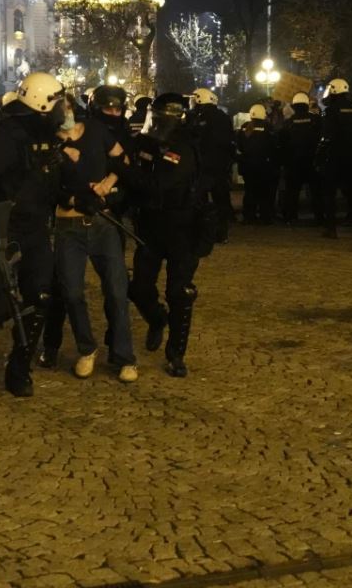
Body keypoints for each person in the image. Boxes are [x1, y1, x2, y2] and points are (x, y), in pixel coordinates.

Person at [0, 72, 66, 397]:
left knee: (40, 297)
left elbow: (52, 181)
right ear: (41, 104)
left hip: (35, 229)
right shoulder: (8, 136)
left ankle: (19, 368)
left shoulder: (50, 137)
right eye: (58, 103)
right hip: (3, 230)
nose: (63, 109)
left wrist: (78, 196)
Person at [40, 88, 137, 382]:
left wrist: (107, 184)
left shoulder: (96, 130)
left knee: (117, 292)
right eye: (60, 111)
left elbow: (123, 160)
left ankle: (125, 357)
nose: (66, 114)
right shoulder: (48, 145)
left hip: (103, 225)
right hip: (68, 227)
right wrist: (74, 199)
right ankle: (87, 348)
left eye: (68, 107)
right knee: (71, 292)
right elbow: (47, 190)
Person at [124, 92, 205, 378]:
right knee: (139, 288)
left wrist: (125, 172)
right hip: (151, 225)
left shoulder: (183, 147)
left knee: (179, 292)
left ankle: (176, 355)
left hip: (182, 227)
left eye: (159, 119)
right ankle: (157, 318)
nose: (154, 124)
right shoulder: (146, 142)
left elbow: (158, 184)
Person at [318, 78, 352, 237]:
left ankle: (331, 228)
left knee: (330, 193)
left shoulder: (331, 110)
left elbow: (326, 135)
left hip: (336, 156)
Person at [187, 88, 236, 243]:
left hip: (202, 166)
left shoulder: (196, 117)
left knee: (199, 201)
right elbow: (229, 140)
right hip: (220, 166)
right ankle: (221, 233)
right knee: (221, 200)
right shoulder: (223, 117)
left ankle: (201, 233)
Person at [279, 92, 322, 224]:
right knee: (316, 191)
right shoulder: (316, 120)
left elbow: (282, 144)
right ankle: (320, 217)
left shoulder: (288, 123)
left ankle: (290, 217)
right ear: (307, 105)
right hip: (313, 162)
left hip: (294, 163)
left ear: (294, 106)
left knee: (292, 192)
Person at [236, 104, 278, 225]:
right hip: (264, 166)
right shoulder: (268, 127)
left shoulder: (245, 127)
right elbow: (274, 146)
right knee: (264, 192)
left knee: (249, 191)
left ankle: (249, 216)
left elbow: (239, 145)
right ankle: (265, 217)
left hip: (248, 166)